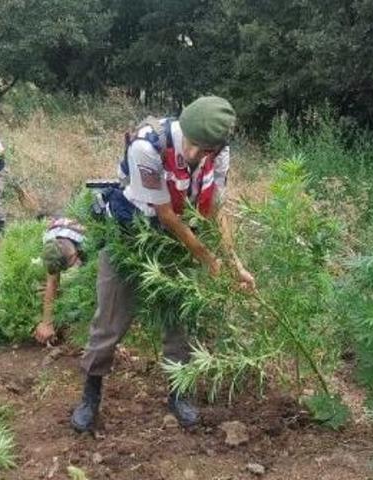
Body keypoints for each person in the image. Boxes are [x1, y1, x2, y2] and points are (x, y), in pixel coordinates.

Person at [71, 96, 256, 433]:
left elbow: (216, 211)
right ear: (183, 129)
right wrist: (208, 258)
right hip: (130, 237)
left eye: (207, 151)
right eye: (194, 147)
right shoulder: (147, 148)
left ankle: (177, 394)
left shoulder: (219, 154)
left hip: (176, 242)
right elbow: (167, 214)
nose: (197, 157)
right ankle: (90, 396)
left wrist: (235, 264)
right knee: (110, 321)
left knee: (179, 320)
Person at [35, 217, 86, 345]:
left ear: (74, 256)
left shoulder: (88, 241)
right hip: (62, 233)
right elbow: (52, 283)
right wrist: (47, 322)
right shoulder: (51, 244)